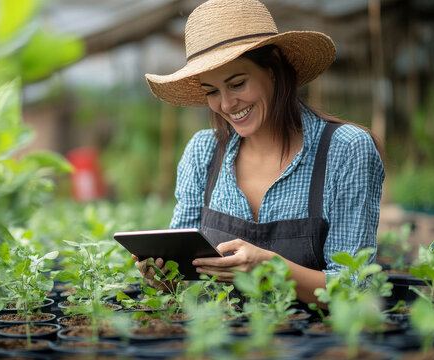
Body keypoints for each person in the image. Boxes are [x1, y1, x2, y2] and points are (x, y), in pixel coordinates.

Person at [132, 0, 384, 307]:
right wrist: (165, 277)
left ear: (275, 67)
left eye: (237, 83)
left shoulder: (345, 150)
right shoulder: (203, 152)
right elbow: (186, 281)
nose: (225, 105)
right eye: (211, 91)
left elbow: (356, 289)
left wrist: (272, 269)